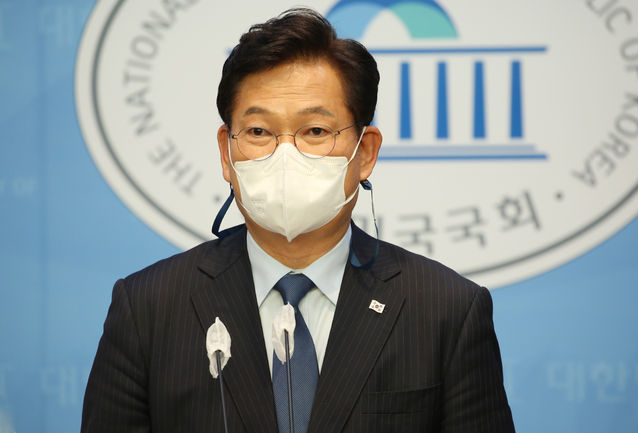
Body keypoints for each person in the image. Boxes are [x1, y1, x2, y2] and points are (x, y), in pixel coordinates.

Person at [81, 8, 515, 433]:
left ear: (365, 153)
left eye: (315, 132)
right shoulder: (148, 309)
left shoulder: (445, 311)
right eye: (258, 132)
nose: (285, 155)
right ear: (226, 153)